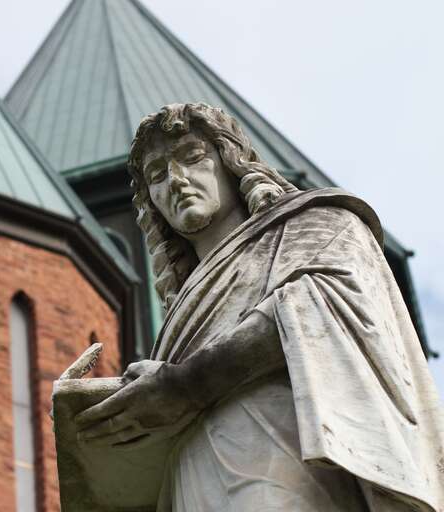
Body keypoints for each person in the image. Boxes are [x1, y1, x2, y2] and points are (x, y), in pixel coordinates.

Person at [75, 103, 444, 511]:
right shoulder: (183, 307)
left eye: (192, 157)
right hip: (193, 475)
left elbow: (318, 307)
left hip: (280, 454)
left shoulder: (317, 225)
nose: (176, 181)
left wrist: (185, 383)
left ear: (230, 159)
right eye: (157, 176)